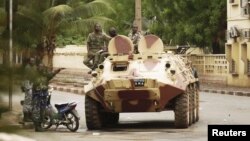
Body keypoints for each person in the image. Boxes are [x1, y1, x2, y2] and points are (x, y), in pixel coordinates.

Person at [23, 60, 63, 132]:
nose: (42, 68)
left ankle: (40, 124)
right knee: (36, 111)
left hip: (43, 96)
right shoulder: (34, 75)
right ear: (38, 68)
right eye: (40, 67)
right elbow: (29, 79)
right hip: (37, 96)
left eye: (43, 67)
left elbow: (51, 74)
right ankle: (37, 126)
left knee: (42, 111)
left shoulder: (46, 75)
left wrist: (57, 70)